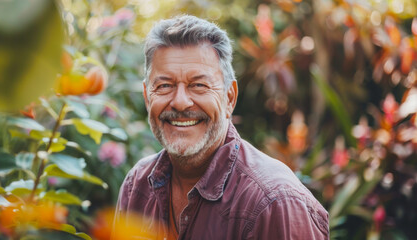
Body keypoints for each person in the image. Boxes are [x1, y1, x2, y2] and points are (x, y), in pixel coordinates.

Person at [114, 15, 329, 240]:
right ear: (148, 98)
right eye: (165, 86)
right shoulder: (137, 187)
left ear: (229, 98)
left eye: (198, 85)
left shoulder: (275, 204)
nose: (180, 102)